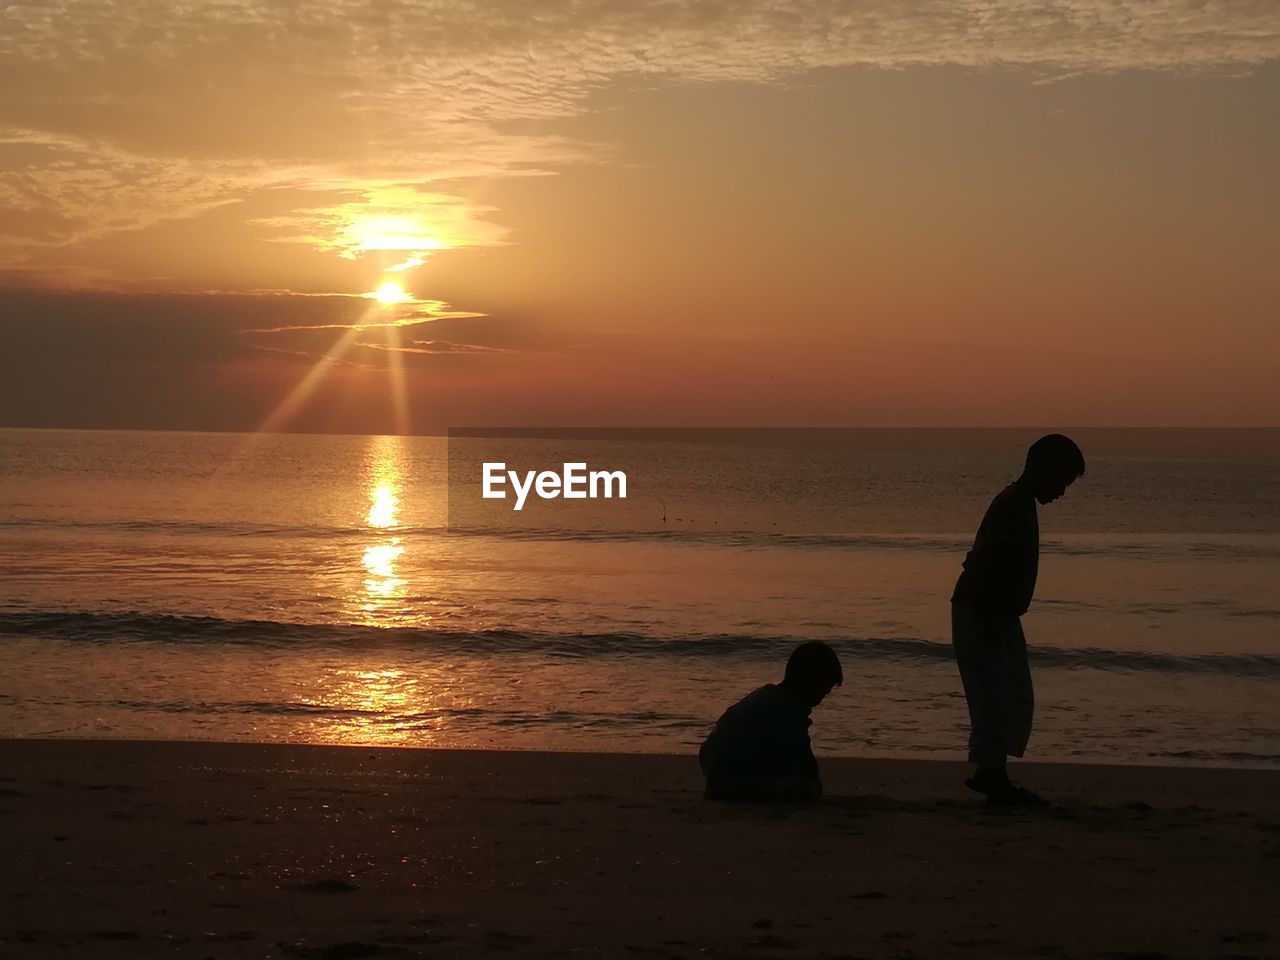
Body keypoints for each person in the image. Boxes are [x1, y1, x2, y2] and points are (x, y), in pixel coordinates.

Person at [951, 433, 1086, 805]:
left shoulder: (1019, 503)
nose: (1061, 492)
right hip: (984, 610)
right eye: (1061, 481)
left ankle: (992, 771)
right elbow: (986, 563)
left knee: (1004, 692)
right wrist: (993, 618)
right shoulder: (1014, 506)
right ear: (1044, 470)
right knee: (994, 693)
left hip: (992, 610)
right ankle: (991, 774)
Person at [698, 641, 842, 801]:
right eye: (824, 687)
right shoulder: (787, 710)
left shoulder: (767, 696)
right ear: (810, 680)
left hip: (714, 767)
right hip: (732, 778)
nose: (825, 693)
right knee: (805, 788)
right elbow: (806, 767)